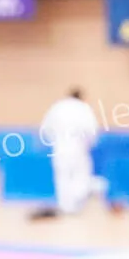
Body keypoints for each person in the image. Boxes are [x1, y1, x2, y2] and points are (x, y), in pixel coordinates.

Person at [35, 88, 100, 220]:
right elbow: (92, 130)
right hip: (78, 148)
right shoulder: (83, 109)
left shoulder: (57, 107)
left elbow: (46, 128)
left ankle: (65, 206)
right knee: (80, 176)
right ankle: (76, 205)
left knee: (62, 177)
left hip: (60, 148)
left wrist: (53, 141)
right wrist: (89, 144)